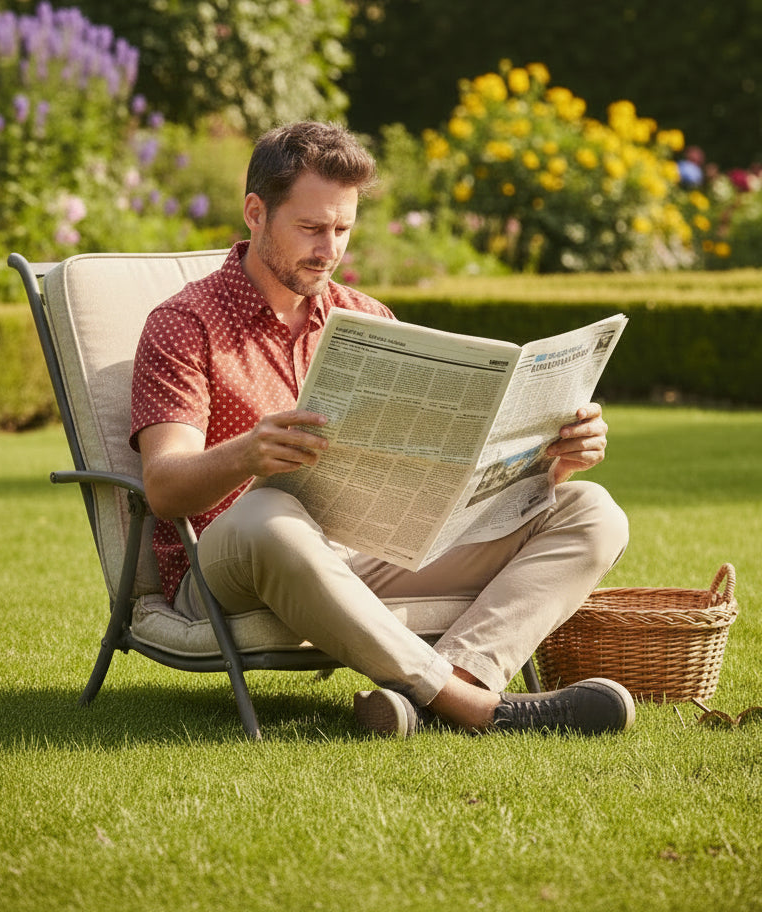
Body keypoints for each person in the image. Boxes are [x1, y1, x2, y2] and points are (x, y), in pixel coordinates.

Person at [130, 121, 634, 737]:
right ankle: (476, 710)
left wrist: (552, 458)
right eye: (311, 228)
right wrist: (247, 455)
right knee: (270, 516)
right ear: (255, 213)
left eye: (342, 229)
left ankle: (446, 691)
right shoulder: (185, 324)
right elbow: (164, 486)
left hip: (369, 549)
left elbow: (432, 467)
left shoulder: (366, 318)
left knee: (591, 510)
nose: (329, 248)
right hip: (234, 559)